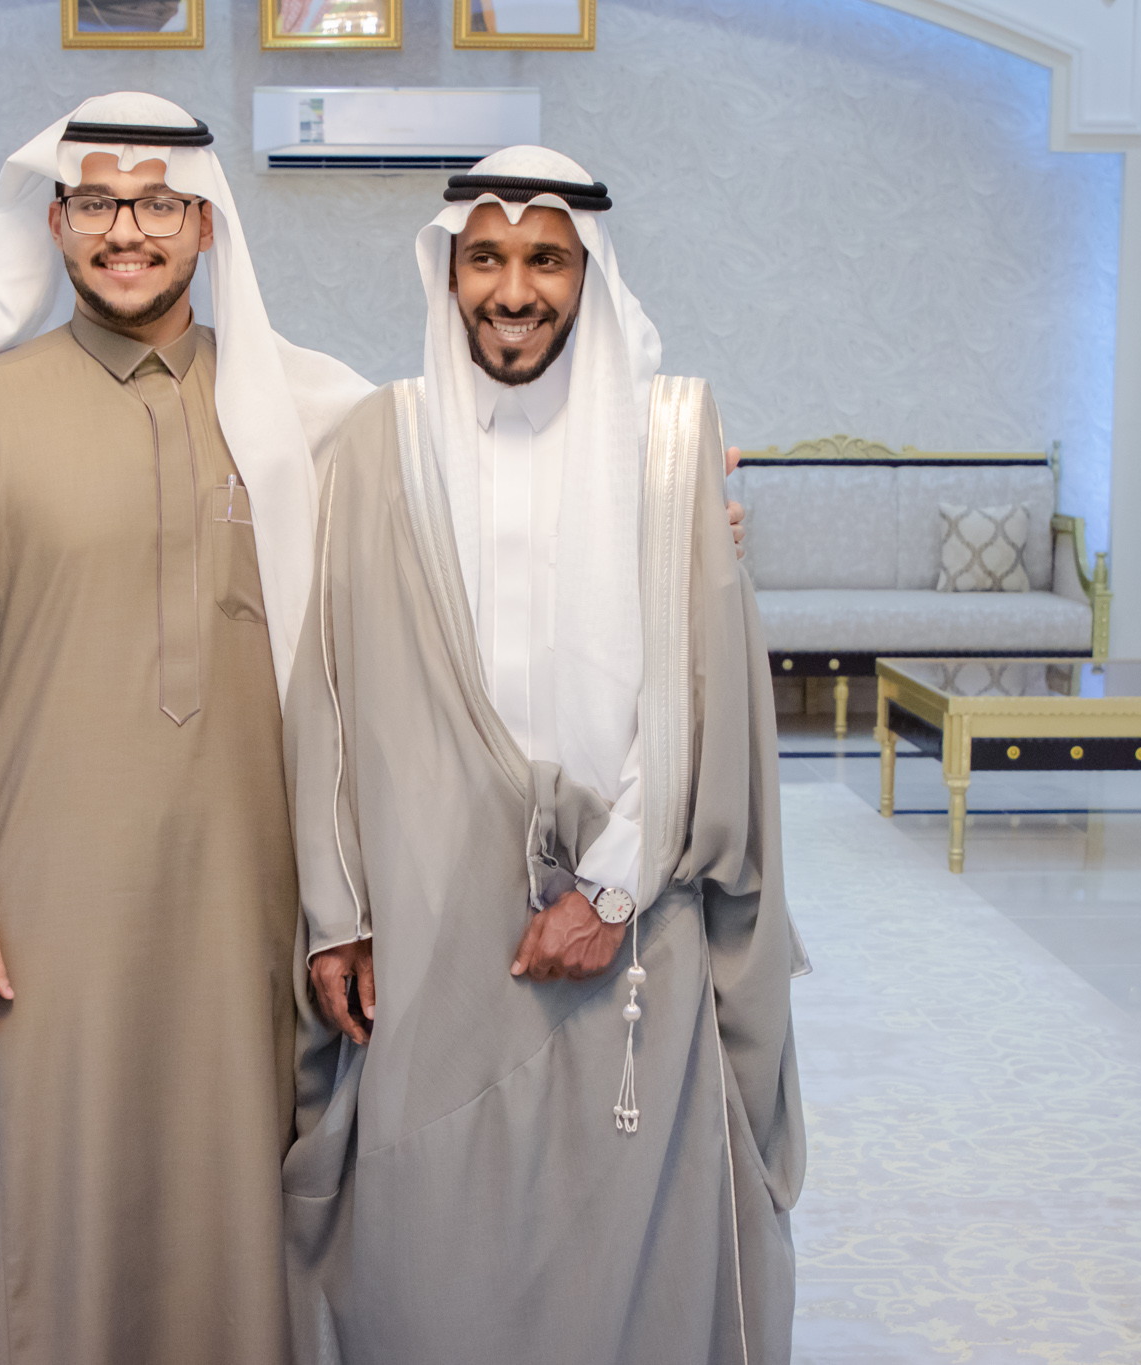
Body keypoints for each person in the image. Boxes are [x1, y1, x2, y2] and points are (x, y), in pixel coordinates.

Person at [281, 147, 807, 1364]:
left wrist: (612, 888)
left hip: (633, 901)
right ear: (446, 271)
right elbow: (329, 695)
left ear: (589, 275)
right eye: (485, 258)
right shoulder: (379, 441)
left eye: (545, 260)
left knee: (622, 1237)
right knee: (428, 1233)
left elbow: (697, 689)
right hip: (425, 902)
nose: (512, 290)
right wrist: (336, 913)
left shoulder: (668, 441)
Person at [0, 92, 369, 1365]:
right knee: (41, 1177)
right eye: (96, 201)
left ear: (205, 226)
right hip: (34, 891)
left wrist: (673, 494)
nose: (126, 231)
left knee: (229, 1177)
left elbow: (475, 497)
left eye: (157, 203)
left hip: (241, 894)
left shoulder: (306, 418)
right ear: (54, 223)